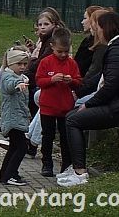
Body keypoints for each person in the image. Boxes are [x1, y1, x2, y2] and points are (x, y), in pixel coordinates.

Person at [59, 12, 119, 187]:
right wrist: (77, 90)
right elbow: (101, 79)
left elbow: (110, 86)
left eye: (97, 28)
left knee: (73, 120)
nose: (95, 32)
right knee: (72, 115)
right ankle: (76, 167)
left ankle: (80, 173)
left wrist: (89, 103)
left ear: (106, 28)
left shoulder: (118, 49)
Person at [36, 27, 81, 177]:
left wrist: (71, 81)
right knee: (47, 136)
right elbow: (39, 81)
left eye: (66, 52)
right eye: (59, 51)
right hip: (48, 107)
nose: (63, 55)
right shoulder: (45, 62)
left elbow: (78, 81)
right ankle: (46, 164)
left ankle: (66, 164)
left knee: (65, 137)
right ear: (52, 47)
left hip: (65, 107)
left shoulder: (71, 63)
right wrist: (51, 80)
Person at [0, 47, 31, 186]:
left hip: (17, 117)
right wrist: (19, 85)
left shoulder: (20, 77)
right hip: (12, 119)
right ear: (11, 64)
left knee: (14, 147)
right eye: (19, 64)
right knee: (22, 147)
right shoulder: (8, 77)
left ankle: (6, 174)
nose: (22, 67)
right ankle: (9, 175)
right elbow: (10, 86)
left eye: (24, 64)